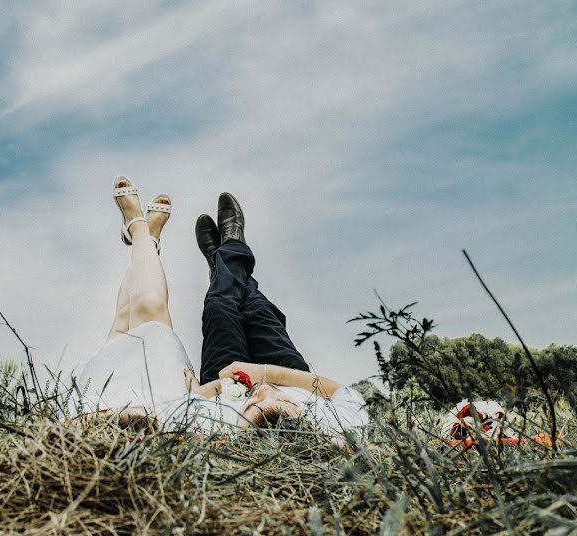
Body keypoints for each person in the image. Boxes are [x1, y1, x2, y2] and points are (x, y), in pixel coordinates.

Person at [79, 177, 367, 436]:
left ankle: (225, 256)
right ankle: (227, 254)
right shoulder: (338, 428)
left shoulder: (222, 430)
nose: (263, 392)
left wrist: (213, 389)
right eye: (279, 403)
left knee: (219, 307)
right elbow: (338, 391)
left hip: (223, 382)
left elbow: (185, 407)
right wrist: (266, 375)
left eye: (254, 405)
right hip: (290, 372)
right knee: (257, 309)